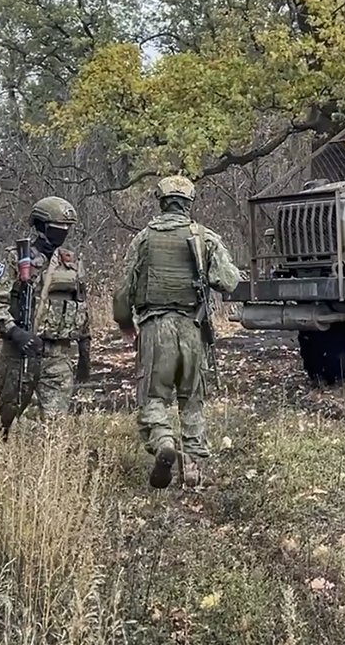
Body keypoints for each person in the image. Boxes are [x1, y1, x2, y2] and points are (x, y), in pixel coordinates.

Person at [112, 175, 241, 489]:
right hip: (193, 329)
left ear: (161, 201)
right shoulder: (205, 237)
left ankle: (163, 441)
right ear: (189, 203)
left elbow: (122, 290)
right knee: (192, 400)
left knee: (154, 397)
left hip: (156, 329)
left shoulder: (143, 238)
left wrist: (125, 323)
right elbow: (228, 281)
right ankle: (192, 472)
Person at [0, 196, 91, 435]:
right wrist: (14, 332)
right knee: (8, 422)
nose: (62, 233)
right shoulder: (15, 258)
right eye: (56, 228)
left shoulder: (72, 263)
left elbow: (81, 307)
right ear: (40, 226)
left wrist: (85, 351)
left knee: (55, 428)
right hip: (19, 354)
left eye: (66, 229)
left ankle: (50, 466)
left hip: (59, 356)